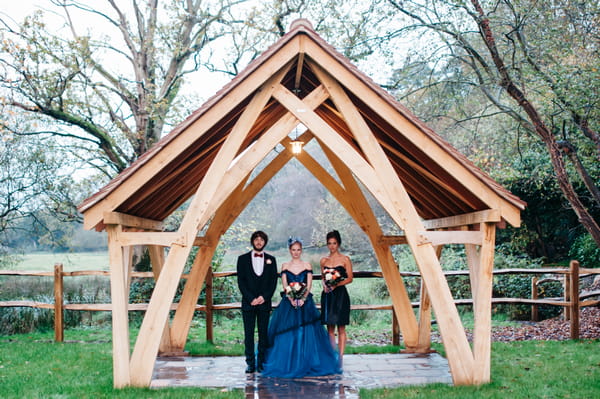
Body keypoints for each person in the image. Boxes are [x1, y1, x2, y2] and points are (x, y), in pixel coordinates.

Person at [261, 237, 341, 378]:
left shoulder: (307, 265)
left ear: (301, 250)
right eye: (293, 250)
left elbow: (309, 284)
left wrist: (303, 298)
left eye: (298, 250)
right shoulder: (285, 266)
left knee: (307, 332)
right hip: (289, 303)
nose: (296, 252)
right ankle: (288, 363)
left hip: (305, 303)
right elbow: (285, 285)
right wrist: (291, 298)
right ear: (289, 250)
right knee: (288, 333)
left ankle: (307, 361)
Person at [237, 230, 278, 373]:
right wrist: (251, 298)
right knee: (248, 334)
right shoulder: (242, 259)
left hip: (264, 303)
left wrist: (264, 297)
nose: (259, 242)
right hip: (248, 303)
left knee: (263, 335)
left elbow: (273, 282)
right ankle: (250, 363)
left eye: (261, 239)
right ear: (252, 241)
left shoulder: (271, 259)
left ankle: (261, 362)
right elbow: (241, 282)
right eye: (256, 239)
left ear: (265, 242)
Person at [320, 230, 353, 368]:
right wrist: (325, 286)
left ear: (338, 243)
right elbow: (323, 277)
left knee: (341, 327)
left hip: (340, 296)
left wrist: (336, 284)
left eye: (334, 243)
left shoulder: (345, 259)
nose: (332, 246)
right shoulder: (324, 260)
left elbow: (350, 278)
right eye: (329, 243)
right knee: (330, 328)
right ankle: (332, 355)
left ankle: (340, 357)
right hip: (328, 295)